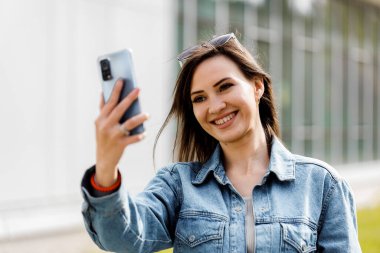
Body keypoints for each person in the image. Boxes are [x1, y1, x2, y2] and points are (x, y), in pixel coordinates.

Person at [81, 33, 362, 253]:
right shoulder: (178, 185)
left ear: (257, 86)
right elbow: (124, 237)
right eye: (199, 98)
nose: (215, 106)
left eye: (225, 86)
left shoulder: (321, 185)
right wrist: (107, 165)